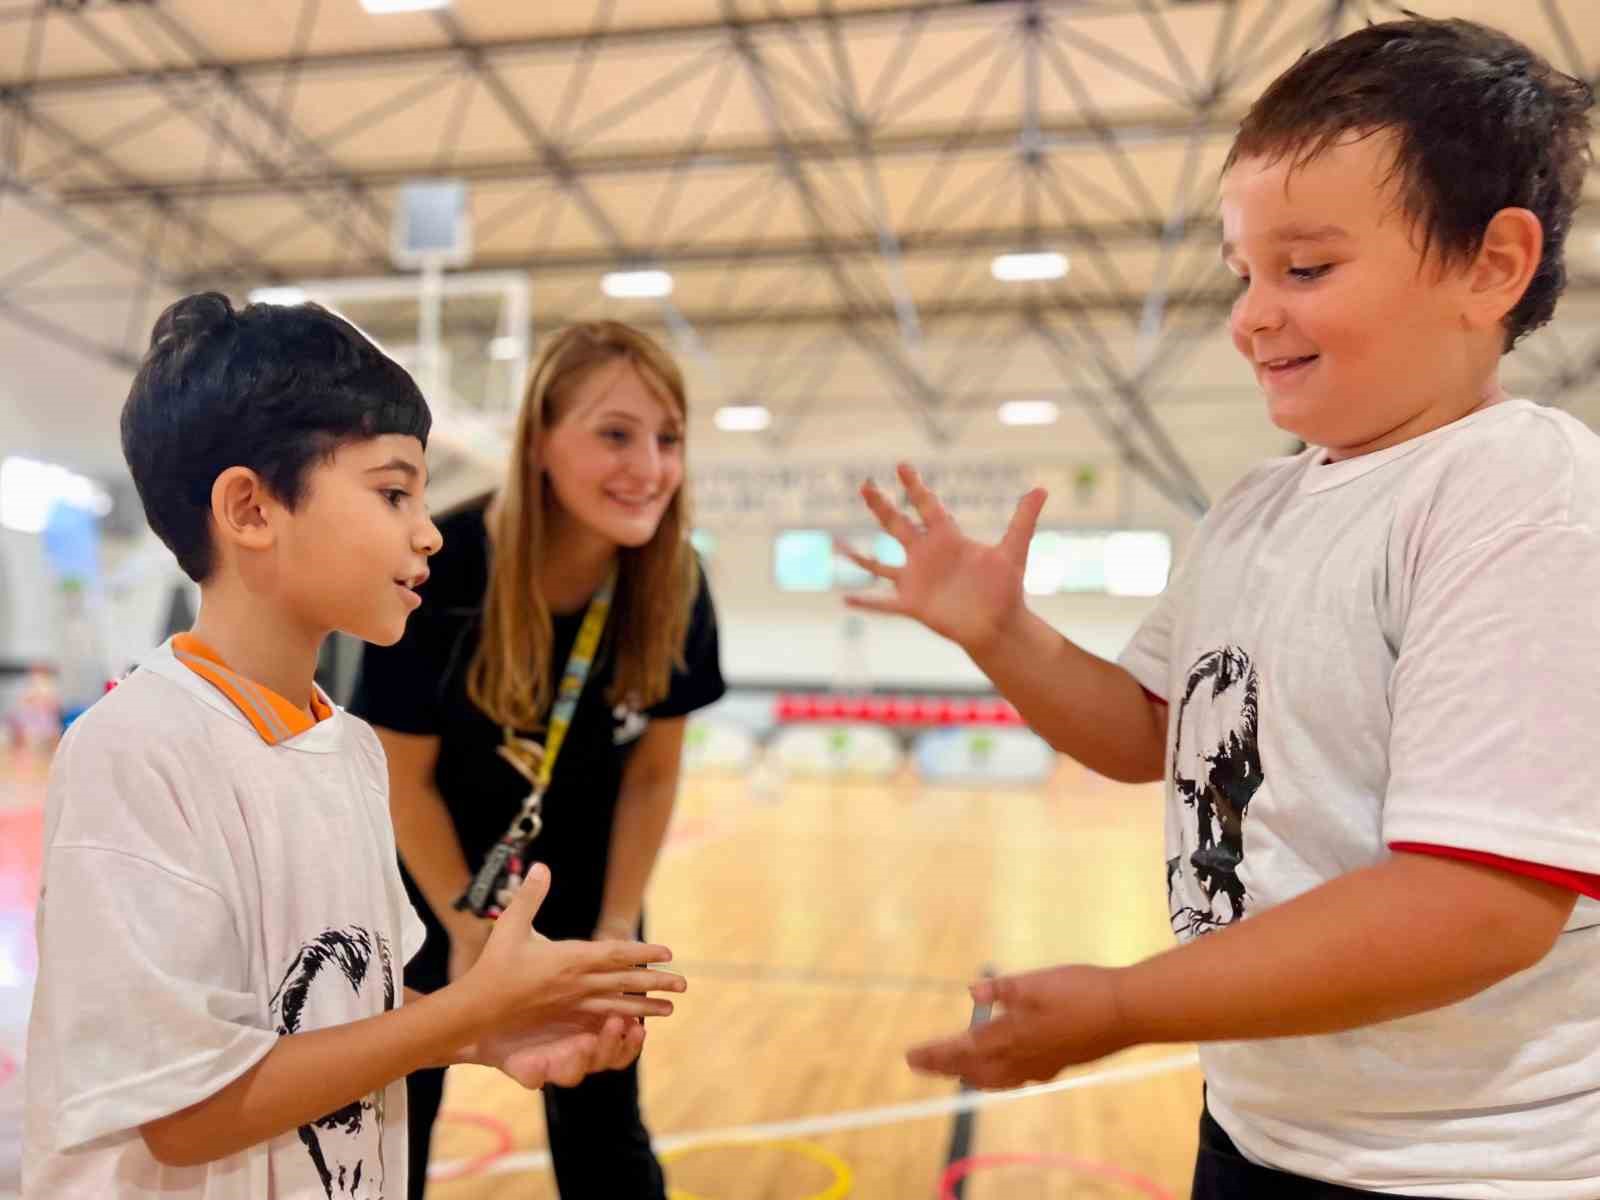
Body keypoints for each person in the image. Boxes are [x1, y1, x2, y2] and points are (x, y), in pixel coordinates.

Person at [840, 18, 1600, 1199]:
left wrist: (1129, 1001)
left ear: (1490, 266)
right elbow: (1148, 732)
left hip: (1466, 1166)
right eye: (1241, 272)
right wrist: (1002, 634)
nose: (1249, 316)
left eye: (1306, 269)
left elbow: (1476, 906)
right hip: (1261, 1124)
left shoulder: (1517, 495)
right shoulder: (1254, 505)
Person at [22, 294, 686, 1200]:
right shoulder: (137, 750)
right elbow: (181, 1114)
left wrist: (478, 1036)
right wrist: (463, 1010)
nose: (429, 529)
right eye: (392, 492)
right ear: (251, 508)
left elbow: (351, 1009)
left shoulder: (348, 748)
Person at [350, 319, 725, 1198]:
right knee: (386, 1135)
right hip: (421, 889)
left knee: (605, 1137)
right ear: (540, 443)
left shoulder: (674, 584)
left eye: (668, 439)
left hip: (584, 888)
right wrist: (465, 926)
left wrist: (616, 925)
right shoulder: (441, 568)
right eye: (615, 433)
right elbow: (398, 778)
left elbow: (655, 773)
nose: (650, 465)